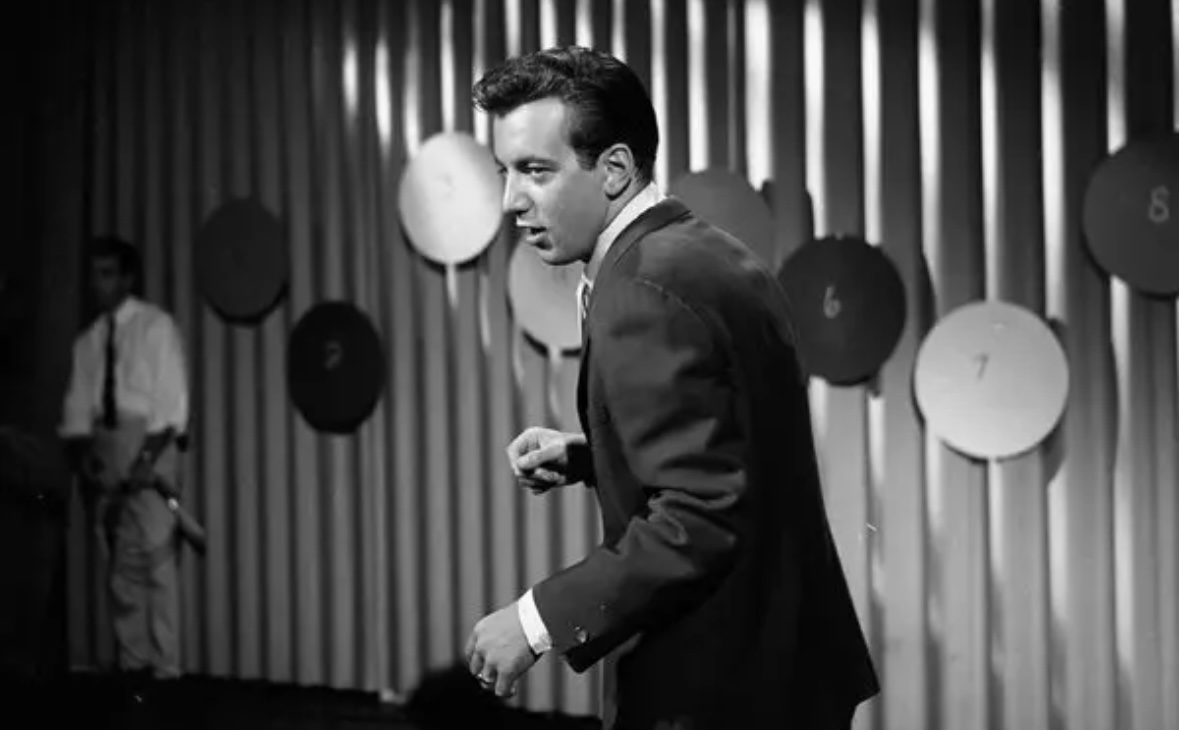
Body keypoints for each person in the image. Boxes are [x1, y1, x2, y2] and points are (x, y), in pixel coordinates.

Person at [463, 46, 879, 729]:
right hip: (783, 667)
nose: (511, 201)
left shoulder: (642, 290)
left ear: (614, 169)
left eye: (536, 171)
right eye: (504, 172)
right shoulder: (707, 252)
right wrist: (594, 452)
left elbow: (700, 514)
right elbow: (734, 446)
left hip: (716, 688)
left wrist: (534, 621)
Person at [59, 236, 190, 687]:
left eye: (108, 273)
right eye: (94, 274)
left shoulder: (156, 327)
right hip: (107, 445)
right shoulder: (87, 343)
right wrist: (86, 458)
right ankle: (133, 668)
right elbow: (79, 410)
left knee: (157, 559)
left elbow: (172, 403)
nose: (98, 283)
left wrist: (146, 460)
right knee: (119, 566)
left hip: (150, 440)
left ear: (127, 278)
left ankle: (167, 670)